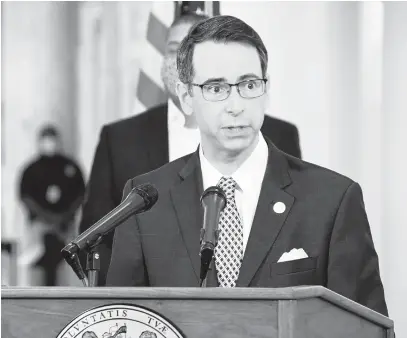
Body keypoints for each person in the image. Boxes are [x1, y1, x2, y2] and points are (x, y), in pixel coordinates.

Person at [106, 15, 388, 317]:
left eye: (249, 84)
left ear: (266, 91)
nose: (236, 105)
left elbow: (366, 327)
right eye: (216, 88)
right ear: (187, 97)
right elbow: (123, 323)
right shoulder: (145, 203)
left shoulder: (332, 201)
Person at [79, 12, 302, 286]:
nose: (234, 105)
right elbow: (99, 231)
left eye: (249, 84)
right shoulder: (122, 139)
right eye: (174, 49)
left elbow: (296, 215)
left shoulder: (278, 135)